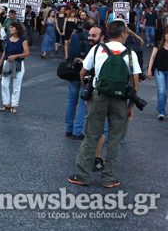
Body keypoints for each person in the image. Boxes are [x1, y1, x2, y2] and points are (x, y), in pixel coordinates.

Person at [69, 20, 141, 188]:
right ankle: (109, 178)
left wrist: (88, 92)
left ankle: (82, 175)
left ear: (108, 33)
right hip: (120, 100)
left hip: (99, 97)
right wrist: (131, 107)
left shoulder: (97, 49)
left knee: (92, 136)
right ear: (123, 34)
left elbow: (82, 73)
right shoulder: (130, 54)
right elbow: (135, 83)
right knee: (115, 139)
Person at [64, 18, 99, 140]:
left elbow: (71, 53)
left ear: (82, 25)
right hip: (87, 72)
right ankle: (78, 130)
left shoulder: (74, 37)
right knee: (84, 102)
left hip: (74, 70)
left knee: (71, 101)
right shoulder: (94, 40)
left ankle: (68, 128)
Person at [0, 22, 29, 114]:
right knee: (4, 83)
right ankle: (6, 103)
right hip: (8, 62)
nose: (10, 29)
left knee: (16, 85)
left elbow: (27, 53)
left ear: (17, 29)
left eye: (12, 27)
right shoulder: (8, 39)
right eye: (10, 27)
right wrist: (0, 62)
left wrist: (16, 56)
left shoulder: (23, 40)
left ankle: (14, 105)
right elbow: (5, 52)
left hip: (18, 63)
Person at [147, 28, 168, 120]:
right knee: (162, 90)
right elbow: (152, 57)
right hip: (159, 71)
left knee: (166, 92)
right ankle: (161, 112)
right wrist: (149, 70)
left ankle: (161, 107)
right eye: (167, 33)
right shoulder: (158, 44)